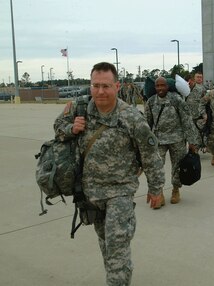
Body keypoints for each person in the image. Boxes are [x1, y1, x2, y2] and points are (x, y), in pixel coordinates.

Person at [54, 62, 165, 286]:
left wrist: (156, 189)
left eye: (106, 86)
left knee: (117, 246)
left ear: (117, 86)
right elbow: (57, 127)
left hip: (120, 192)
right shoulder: (79, 108)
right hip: (91, 194)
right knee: (106, 243)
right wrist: (71, 129)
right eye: (96, 85)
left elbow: (150, 155)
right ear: (90, 85)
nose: (100, 91)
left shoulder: (131, 117)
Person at [144, 77, 198, 205]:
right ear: (155, 87)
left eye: (163, 85)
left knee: (178, 167)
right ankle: (159, 193)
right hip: (159, 140)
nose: (160, 88)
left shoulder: (176, 100)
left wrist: (192, 141)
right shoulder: (151, 102)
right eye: (158, 86)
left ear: (167, 86)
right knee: (157, 167)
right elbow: (146, 124)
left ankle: (175, 190)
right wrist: (144, 142)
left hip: (177, 139)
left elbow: (187, 121)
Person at [186, 73, 207, 149]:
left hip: (198, 115)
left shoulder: (203, 89)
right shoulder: (188, 87)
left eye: (201, 77)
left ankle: (196, 149)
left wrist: (204, 114)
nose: (199, 78)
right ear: (194, 79)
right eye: (197, 77)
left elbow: (205, 102)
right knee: (190, 134)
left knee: (198, 133)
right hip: (188, 115)